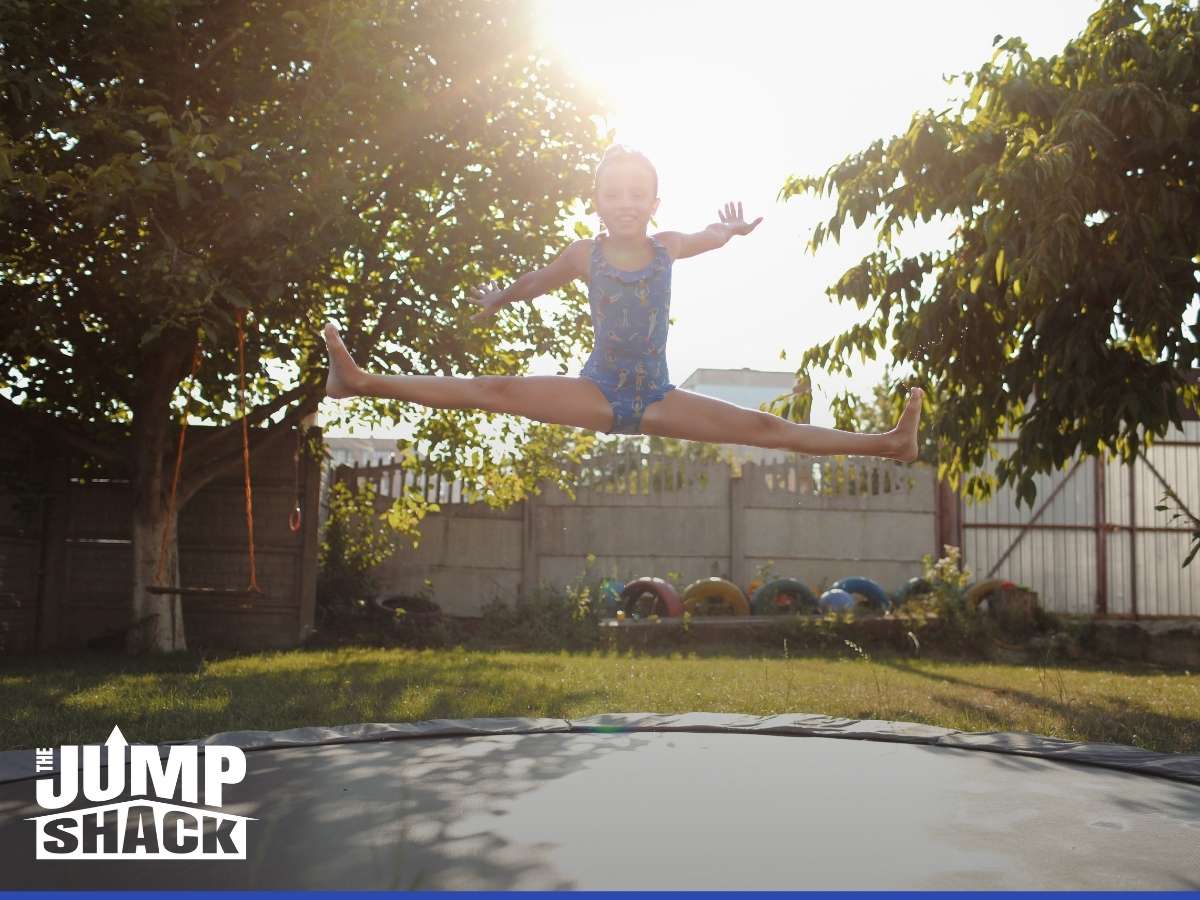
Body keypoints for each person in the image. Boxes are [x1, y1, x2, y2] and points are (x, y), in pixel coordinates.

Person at [323, 145, 923, 460]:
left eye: (638, 193)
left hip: (657, 395)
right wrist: (500, 297)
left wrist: (729, 233)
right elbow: (536, 281)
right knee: (495, 390)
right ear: (598, 202)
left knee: (768, 428)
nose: (626, 202)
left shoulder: (666, 246)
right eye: (615, 194)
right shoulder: (584, 254)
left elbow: (708, 239)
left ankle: (890, 443)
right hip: (599, 390)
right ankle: (359, 381)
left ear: (655, 202)